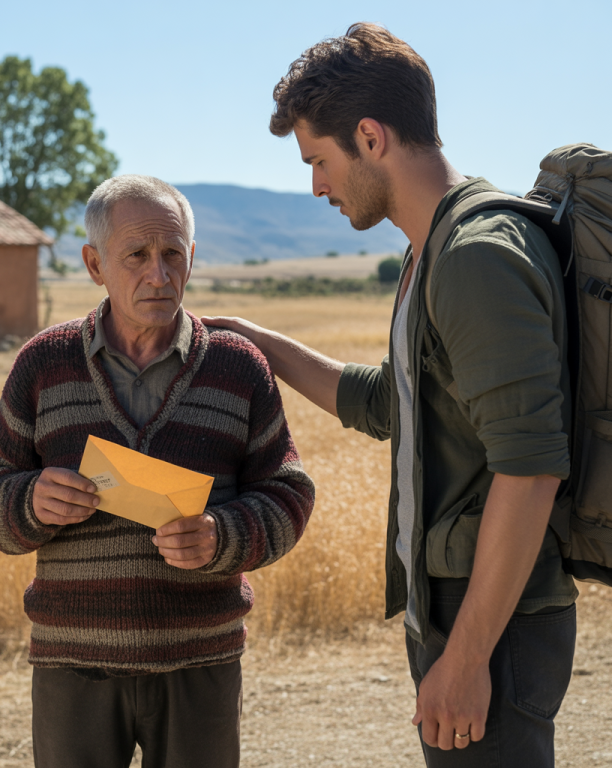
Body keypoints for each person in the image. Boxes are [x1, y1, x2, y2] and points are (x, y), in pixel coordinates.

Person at [203, 23, 577, 767]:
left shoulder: (474, 257)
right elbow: (391, 402)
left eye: (318, 160)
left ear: (370, 137)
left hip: (494, 626)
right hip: (461, 611)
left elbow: (531, 469)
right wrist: (260, 342)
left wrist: (467, 660)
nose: (315, 185)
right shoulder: (430, 251)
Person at [0, 174, 314, 768]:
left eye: (172, 254)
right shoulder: (44, 364)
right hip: (72, 663)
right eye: (136, 256)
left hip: (201, 662)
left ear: (192, 257)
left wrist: (221, 535)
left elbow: (288, 493)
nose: (159, 273)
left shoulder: (236, 368)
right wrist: (30, 502)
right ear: (94, 263)